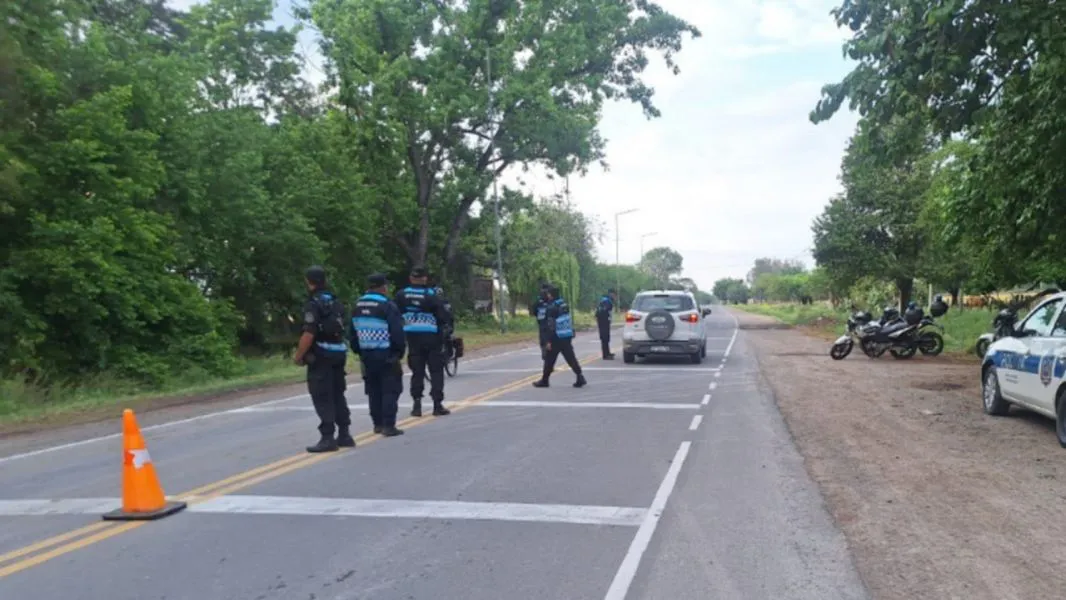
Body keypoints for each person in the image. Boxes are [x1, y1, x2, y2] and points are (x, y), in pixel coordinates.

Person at [293, 266, 353, 453]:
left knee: (322, 395)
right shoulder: (335, 301)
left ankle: (328, 437)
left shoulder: (313, 304)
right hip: (338, 352)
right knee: (337, 393)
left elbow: (309, 333)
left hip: (321, 355)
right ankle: (344, 433)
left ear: (308, 281)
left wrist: (299, 355)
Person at [350, 273, 407, 437]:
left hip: (367, 355)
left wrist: (359, 351)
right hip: (386, 354)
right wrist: (398, 352)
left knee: (374, 390)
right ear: (383, 287)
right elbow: (396, 331)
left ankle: (378, 424)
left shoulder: (358, 304)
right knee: (390, 389)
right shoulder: (387, 305)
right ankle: (389, 425)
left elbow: (352, 332)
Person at [394, 266, 451, 417]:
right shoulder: (430, 294)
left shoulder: (401, 294)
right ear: (424, 278)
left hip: (412, 337)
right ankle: (437, 405)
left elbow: (395, 315)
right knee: (436, 371)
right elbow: (443, 315)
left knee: (417, 372)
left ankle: (417, 405)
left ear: (411, 278)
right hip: (432, 338)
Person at [532, 285, 587, 388]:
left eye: (548, 293)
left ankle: (545, 380)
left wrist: (548, 341)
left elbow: (550, 325)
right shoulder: (564, 304)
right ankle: (580, 376)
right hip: (566, 335)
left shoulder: (551, 308)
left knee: (549, 360)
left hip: (555, 337)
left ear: (550, 295)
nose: (547, 295)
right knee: (571, 358)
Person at [530, 283, 550, 359]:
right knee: (549, 340)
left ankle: (545, 352)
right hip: (548, 323)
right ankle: (546, 353)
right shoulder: (550, 299)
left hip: (542, 323)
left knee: (543, 339)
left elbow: (534, 311)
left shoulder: (538, 301)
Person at [596, 288, 616, 360]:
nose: (614, 296)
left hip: (603, 321)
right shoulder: (607, 302)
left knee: (606, 338)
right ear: (611, 294)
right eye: (614, 294)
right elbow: (605, 311)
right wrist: (607, 319)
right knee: (605, 338)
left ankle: (607, 353)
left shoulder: (605, 300)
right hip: (604, 322)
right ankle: (605, 355)